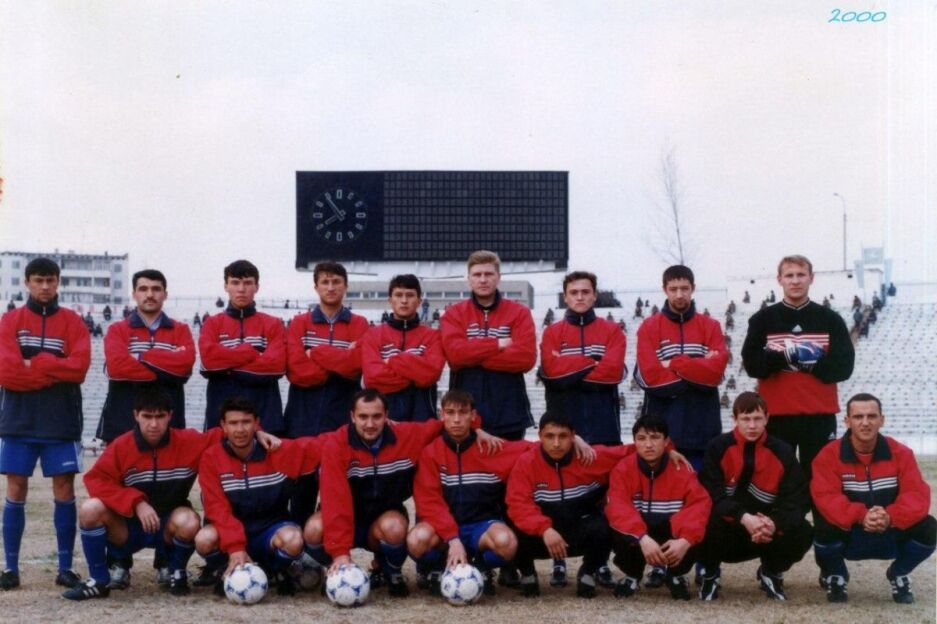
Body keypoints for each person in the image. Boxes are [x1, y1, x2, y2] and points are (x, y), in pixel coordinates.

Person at [61, 389, 281, 600]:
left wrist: (258, 431)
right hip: (130, 526)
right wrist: (136, 502)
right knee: (90, 509)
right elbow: (96, 480)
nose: (154, 424)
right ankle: (99, 580)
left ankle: (177, 572)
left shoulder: (188, 441)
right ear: (136, 415)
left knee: (190, 519)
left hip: (169, 526)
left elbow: (230, 430)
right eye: (147, 416)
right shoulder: (122, 446)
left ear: (170, 416)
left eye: (160, 416)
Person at [308, 388, 499, 597]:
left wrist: (476, 428)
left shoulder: (407, 436)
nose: (370, 424)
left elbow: (446, 424)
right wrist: (340, 552)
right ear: (352, 416)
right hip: (348, 516)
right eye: (363, 417)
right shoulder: (336, 445)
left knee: (394, 527)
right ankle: (337, 569)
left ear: (387, 416)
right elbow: (335, 501)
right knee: (314, 529)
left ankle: (390, 571)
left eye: (376, 416)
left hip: (384, 517)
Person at [0, 257, 91, 591]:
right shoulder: (10, 320)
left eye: (50, 280)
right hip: (19, 420)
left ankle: (65, 568)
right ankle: (10, 568)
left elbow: (79, 369)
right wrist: (55, 368)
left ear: (58, 283)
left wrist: (34, 363)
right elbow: (6, 372)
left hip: (61, 420)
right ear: (26, 282)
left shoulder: (73, 322)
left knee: (64, 489)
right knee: (15, 488)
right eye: (38, 280)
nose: (44, 286)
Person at [408, 390, 541, 596]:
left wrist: (574, 439)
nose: (456, 419)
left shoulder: (491, 447)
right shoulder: (430, 452)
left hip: (481, 526)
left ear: (473, 416)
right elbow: (429, 503)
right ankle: (439, 566)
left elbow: (541, 449)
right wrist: (453, 539)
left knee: (507, 543)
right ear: (442, 415)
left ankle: (481, 566)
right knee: (417, 540)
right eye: (450, 413)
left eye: (463, 412)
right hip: (443, 531)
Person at [507, 412, 649, 599]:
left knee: (606, 526)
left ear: (573, 436)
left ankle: (588, 571)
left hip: (577, 530)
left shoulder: (590, 456)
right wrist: (544, 529)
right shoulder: (527, 462)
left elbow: (638, 449)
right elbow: (518, 504)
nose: (556, 443)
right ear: (540, 436)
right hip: (542, 536)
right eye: (550, 436)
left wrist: (669, 450)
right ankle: (527, 573)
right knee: (514, 528)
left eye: (563, 436)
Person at [811, 393, 936, 604]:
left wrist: (890, 516)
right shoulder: (828, 455)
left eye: (871, 416)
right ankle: (837, 575)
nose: (865, 422)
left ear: (882, 420)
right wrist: (861, 515)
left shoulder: (901, 453)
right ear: (847, 421)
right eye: (858, 417)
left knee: (929, 527)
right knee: (822, 526)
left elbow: (916, 494)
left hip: (890, 529)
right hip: (851, 533)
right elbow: (826, 497)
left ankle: (899, 573)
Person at [741, 255, 855, 483]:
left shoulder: (831, 319)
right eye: (789, 275)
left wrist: (809, 362)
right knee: (777, 481)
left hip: (819, 415)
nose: (795, 281)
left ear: (811, 278)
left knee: (821, 480)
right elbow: (752, 366)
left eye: (801, 275)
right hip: (776, 416)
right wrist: (785, 355)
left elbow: (844, 368)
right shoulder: (762, 319)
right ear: (779, 280)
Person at [194, 397, 323, 596]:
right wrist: (235, 546)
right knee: (204, 539)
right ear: (223, 426)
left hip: (270, 529)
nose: (240, 429)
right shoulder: (211, 458)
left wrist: (368, 429)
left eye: (246, 422)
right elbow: (216, 508)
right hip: (231, 531)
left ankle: (274, 570)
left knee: (294, 540)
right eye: (233, 423)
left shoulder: (278, 451)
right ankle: (225, 569)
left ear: (257, 423)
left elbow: (326, 445)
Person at [696, 392, 813, 601]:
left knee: (803, 531)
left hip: (764, 533)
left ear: (767, 418)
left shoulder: (782, 451)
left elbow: (798, 499)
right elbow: (710, 494)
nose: (752, 425)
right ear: (734, 419)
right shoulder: (718, 447)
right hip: (726, 531)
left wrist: (774, 523)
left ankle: (771, 570)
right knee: (699, 521)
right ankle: (710, 572)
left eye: (757, 418)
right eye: (746, 419)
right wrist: (743, 517)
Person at [284, 261, 369, 525]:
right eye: (325, 282)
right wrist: (338, 361)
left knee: (338, 488)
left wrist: (316, 353)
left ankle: (335, 545)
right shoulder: (299, 323)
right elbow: (298, 372)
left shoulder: (360, 324)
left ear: (346, 286)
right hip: (302, 417)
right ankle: (298, 545)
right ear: (316, 286)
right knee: (301, 490)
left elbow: (355, 367)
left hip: (341, 417)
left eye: (336, 282)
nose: (331, 287)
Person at [605, 414, 711, 600]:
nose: (648, 445)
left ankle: (676, 574)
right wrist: (642, 538)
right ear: (635, 442)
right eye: (641, 438)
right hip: (640, 535)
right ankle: (632, 574)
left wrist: (685, 540)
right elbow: (617, 507)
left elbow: (700, 504)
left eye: (655, 437)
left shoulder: (682, 469)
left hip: (669, 533)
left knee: (700, 526)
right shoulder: (623, 469)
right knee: (612, 525)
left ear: (666, 442)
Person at [634, 265, 729, 471]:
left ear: (693, 288)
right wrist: (698, 368)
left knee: (702, 487)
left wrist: (673, 364)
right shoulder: (649, 327)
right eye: (673, 289)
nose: (679, 294)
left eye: (684, 288)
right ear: (664, 289)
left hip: (705, 428)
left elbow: (715, 374)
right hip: (663, 431)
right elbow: (650, 377)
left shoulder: (711, 326)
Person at [440, 250, 536, 441]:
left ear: (498, 277)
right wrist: (497, 344)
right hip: (465, 414)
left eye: (488, 274)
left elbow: (525, 359)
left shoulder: (519, 312)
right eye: (477, 274)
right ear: (469, 279)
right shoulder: (454, 313)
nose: (483, 280)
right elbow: (455, 355)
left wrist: (473, 355)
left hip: (509, 413)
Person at [97, 269, 195, 443]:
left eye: (156, 289)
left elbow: (184, 366)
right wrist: (166, 367)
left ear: (165, 294)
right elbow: (116, 368)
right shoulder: (117, 329)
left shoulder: (180, 330)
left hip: (170, 424)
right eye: (143, 289)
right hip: (122, 423)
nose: (150, 294)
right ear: (134, 294)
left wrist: (139, 357)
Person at [539, 271, 627, 447]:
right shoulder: (551, 332)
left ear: (594, 295)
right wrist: (593, 362)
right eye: (573, 292)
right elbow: (552, 372)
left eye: (585, 292)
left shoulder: (612, 330)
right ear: (565, 297)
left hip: (604, 427)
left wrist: (567, 370)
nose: (579, 297)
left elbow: (612, 372)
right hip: (562, 431)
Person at [199, 260, 287, 433]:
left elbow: (276, 367)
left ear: (257, 287)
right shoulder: (212, 323)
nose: (241, 289)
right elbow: (208, 363)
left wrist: (227, 366)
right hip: (221, 417)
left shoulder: (273, 324)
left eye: (247, 283)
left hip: (265, 415)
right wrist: (250, 353)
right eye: (235, 283)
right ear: (226, 286)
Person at [361, 274, 444, 423]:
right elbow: (372, 377)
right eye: (398, 295)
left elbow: (431, 374)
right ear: (390, 300)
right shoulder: (373, 334)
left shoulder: (433, 335)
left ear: (419, 301)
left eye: (410, 295)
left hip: (422, 420)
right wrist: (415, 373)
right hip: (383, 420)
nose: (404, 301)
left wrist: (391, 361)